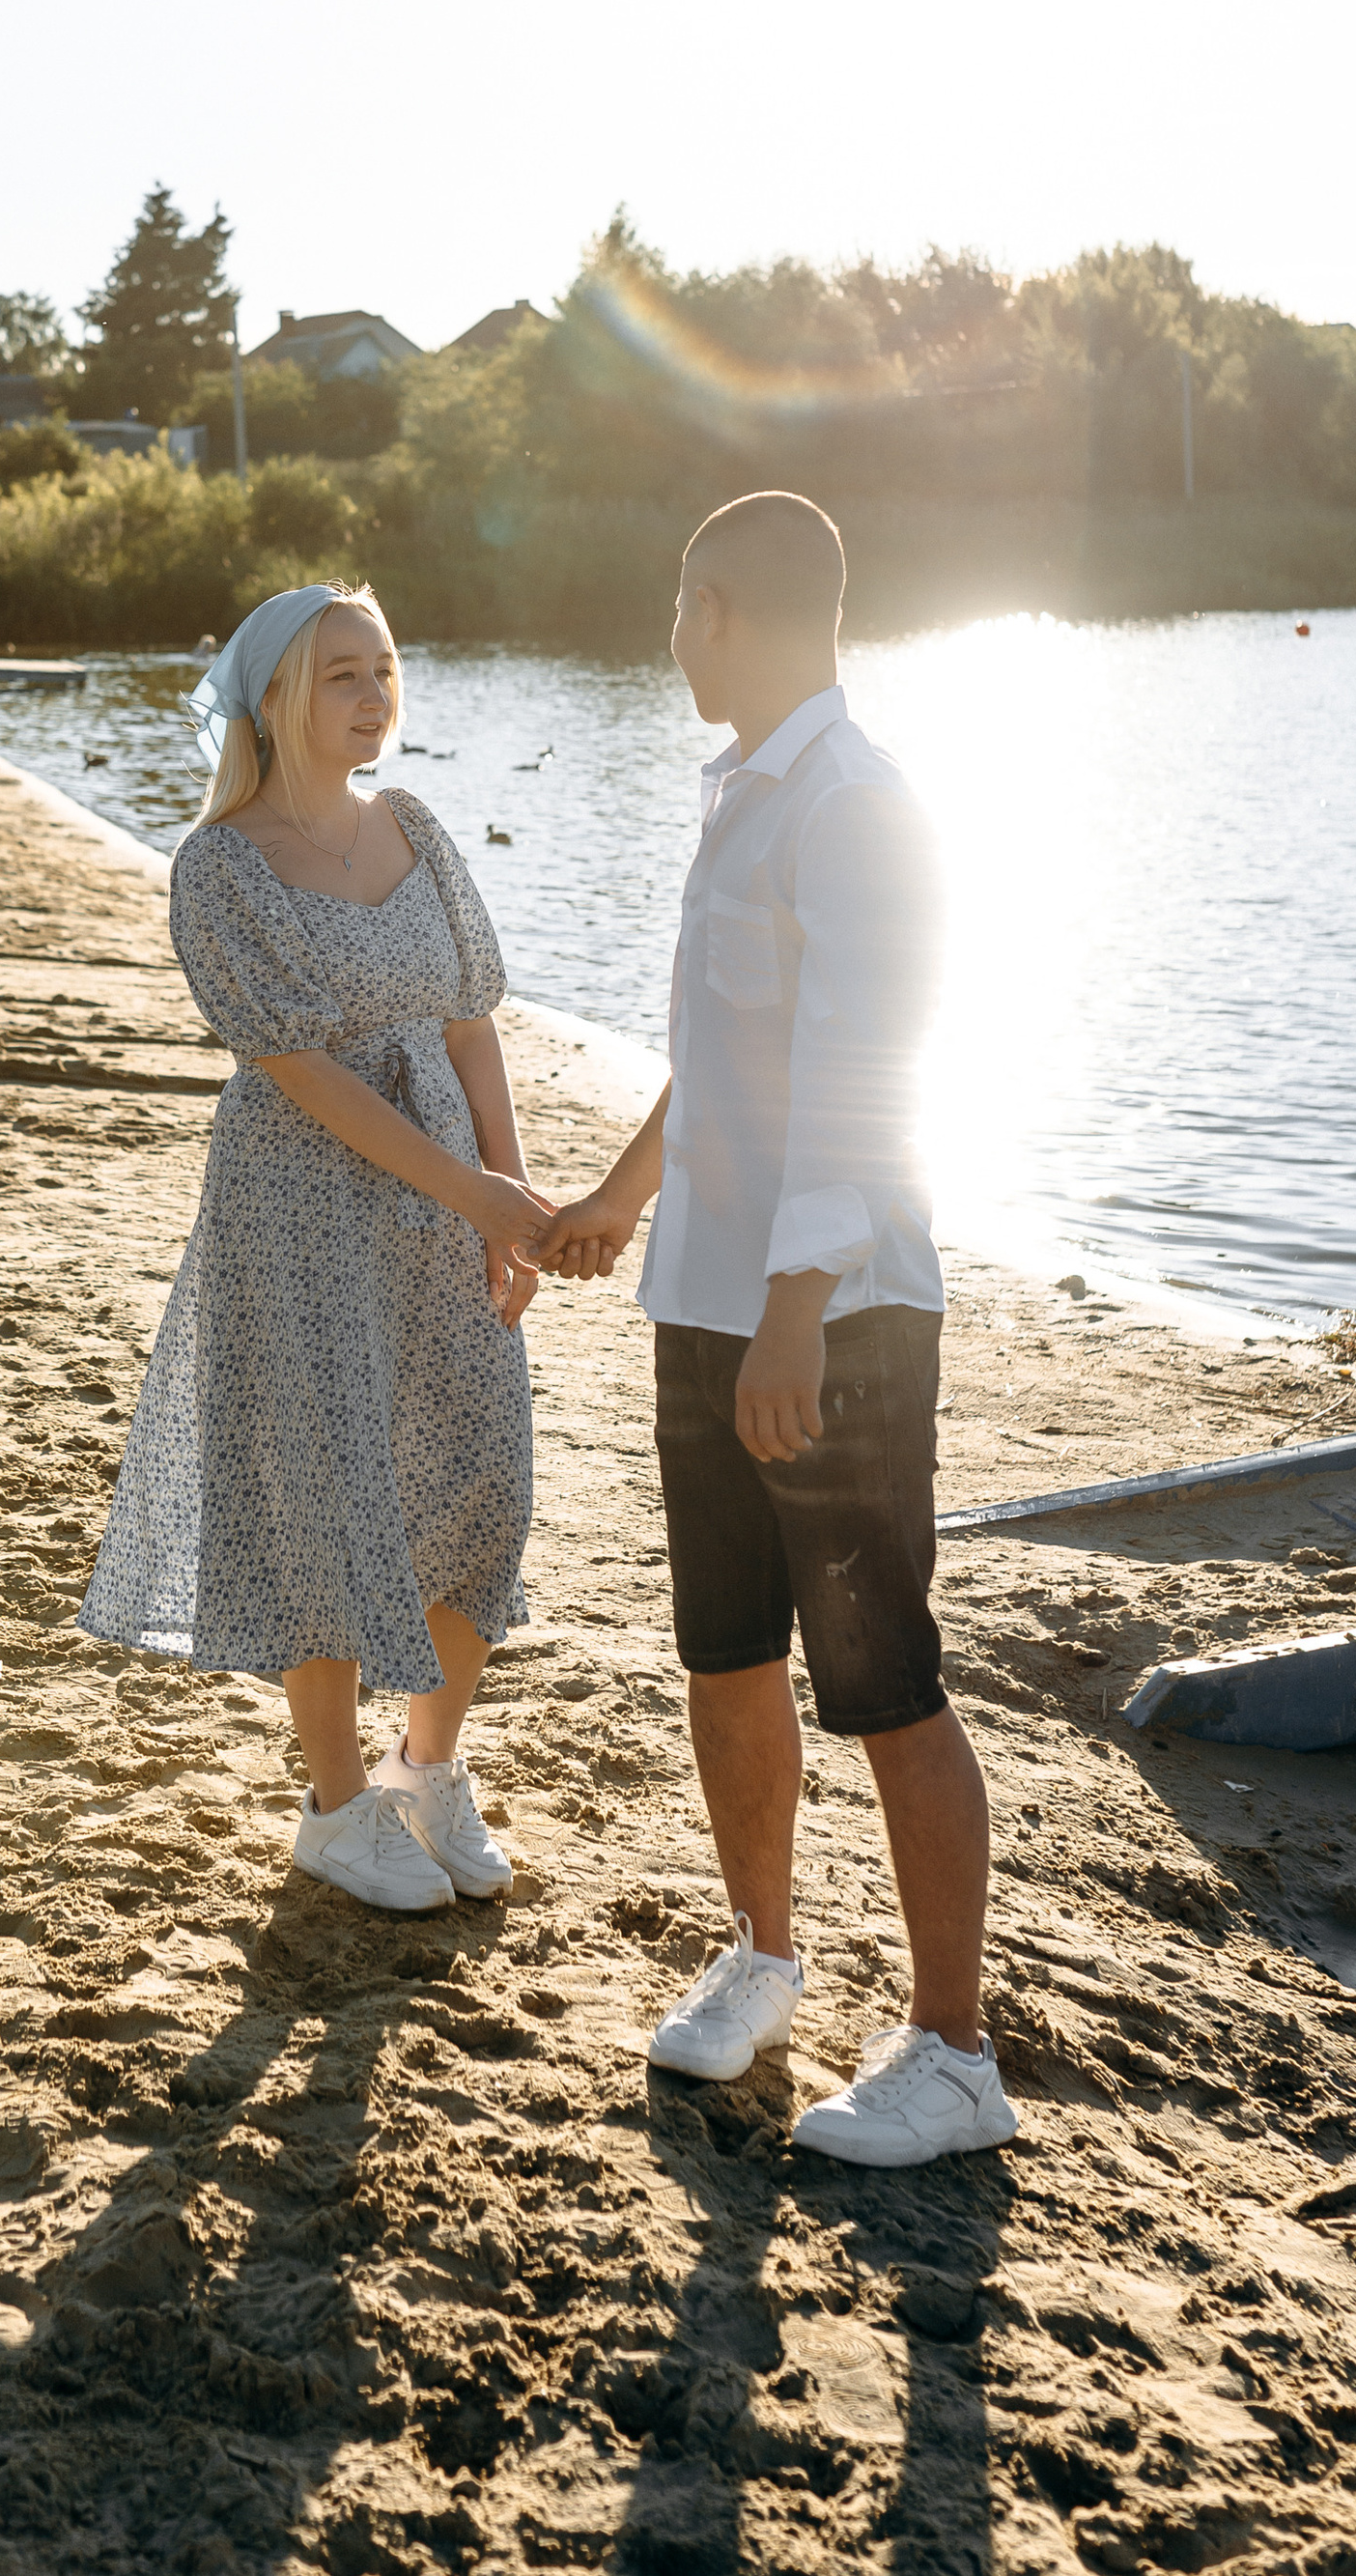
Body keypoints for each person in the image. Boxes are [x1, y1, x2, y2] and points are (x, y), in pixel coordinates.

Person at [540, 492, 1019, 2166]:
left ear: (725, 609)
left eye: (682, 608)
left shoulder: (854, 807)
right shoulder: (741, 793)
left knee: (884, 1681)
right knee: (726, 1652)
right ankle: (763, 1958)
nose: (671, 638)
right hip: (707, 1301)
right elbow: (727, 1058)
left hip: (835, 1322)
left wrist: (797, 1313)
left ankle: (954, 2052)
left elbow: (862, 1075)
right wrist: (621, 1199)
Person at [80, 581, 554, 1912]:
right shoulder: (219, 866)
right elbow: (304, 1075)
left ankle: (428, 1768)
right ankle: (338, 1808)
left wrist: (506, 1192)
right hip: (300, 1210)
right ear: (276, 696)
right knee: (327, 1490)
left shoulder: (418, 829)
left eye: (385, 668)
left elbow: (469, 1026)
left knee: (484, 1477)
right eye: (344, 672)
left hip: (451, 1200)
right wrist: (473, 1193)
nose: (374, 693)